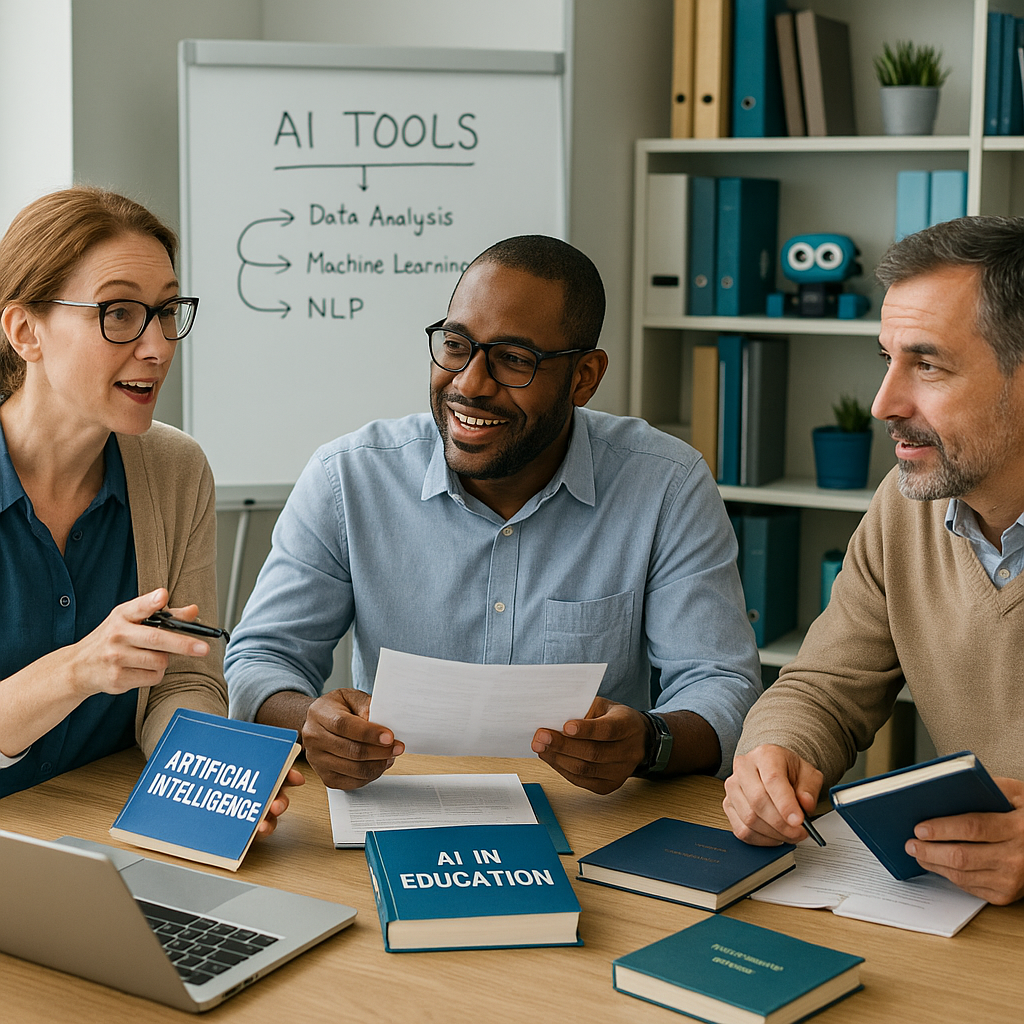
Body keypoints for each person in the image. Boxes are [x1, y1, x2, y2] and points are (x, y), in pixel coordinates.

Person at [226, 234, 761, 795]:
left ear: (584, 377)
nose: (469, 384)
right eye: (456, 345)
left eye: (513, 360)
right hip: (396, 811)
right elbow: (261, 660)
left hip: (594, 824)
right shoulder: (348, 478)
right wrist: (310, 726)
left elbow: (719, 684)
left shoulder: (666, 484)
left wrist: (649, 743)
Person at [723, 216, 1024, 905]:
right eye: (885, 360)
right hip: (962, 924)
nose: (885, 403)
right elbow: (823, 687)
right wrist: (776, 758)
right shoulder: (908, 501)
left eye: (927, 364)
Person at [0, 186, 295, 832]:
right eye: (119, 314)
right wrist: (79, 670)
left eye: (166, 312)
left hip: (115, 835)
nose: (158, 346)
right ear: (26, 332)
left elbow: (180, 682)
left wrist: (211, 774)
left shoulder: (174, 470)